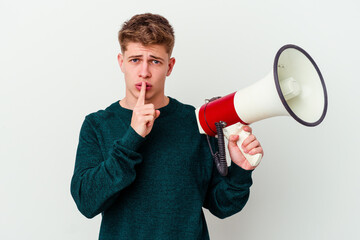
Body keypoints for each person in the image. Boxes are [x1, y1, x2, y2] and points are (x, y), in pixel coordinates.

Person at [70, 13, 263, 240]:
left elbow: (222, 205)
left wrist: (240, 170)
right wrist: (132, 137)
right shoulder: (97, 125)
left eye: (155, 61)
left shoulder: (197, 120)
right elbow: (87, 202)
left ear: (169, 66)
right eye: (135, 60)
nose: (144, 72)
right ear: (121, 62)